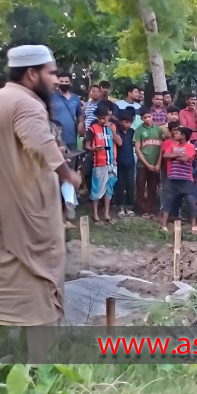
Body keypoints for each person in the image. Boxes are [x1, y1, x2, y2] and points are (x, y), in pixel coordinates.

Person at [0, 46, 82, 364]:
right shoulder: (25, 103)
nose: (55, 80)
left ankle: (12, 354)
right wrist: (68, 174)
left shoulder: (4, 97)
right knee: (40, 280)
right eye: (50, 73)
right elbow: (41, 143)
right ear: (31, 74)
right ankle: (41, 368)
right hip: (28, 217)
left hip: (9, 213)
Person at [85, 105, 123, 225]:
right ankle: (95, 214)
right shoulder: (92, 129)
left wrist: (111, 129)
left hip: (112, 162)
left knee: (109, 189)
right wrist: (93, 149)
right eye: (99, 118)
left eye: (104, 118)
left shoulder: (113, 126)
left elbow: (120, 142)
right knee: (97, 189)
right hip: (99, 163)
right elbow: (86, 145)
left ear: (108, 116)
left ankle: (106, 213)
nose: (102, 121)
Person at [160, 126, 197, 233]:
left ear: (183, 136)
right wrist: (177, 154)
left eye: (177, 133)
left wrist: (172, 157)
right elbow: (165, 155)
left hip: (186, 179)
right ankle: (164, 225)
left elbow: (185, 159)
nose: (174, 135)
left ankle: (194, 225)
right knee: (168, 201)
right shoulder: (173, 145)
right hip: (173, 178)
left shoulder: (190, 146)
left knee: (190, 201)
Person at [132, 107, 163, 218]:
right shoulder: (139, 131)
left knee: (152, 188)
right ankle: (143, 210)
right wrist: (147, 164)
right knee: (140, 187)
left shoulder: (158, 130)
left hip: (155, 164)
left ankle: (151, 210)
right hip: (142, 165)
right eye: (145, 117)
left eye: (149, 117)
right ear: (141, 119)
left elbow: (161, 149)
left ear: (152, 116)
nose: (148, 119)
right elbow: (137, 150)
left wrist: (158, 164)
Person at [52, 71, 84, 151]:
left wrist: (81, 123)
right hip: (55, 138)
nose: (64, 83)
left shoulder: (76, 98)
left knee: (72, 160)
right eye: (61, 81)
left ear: (70, 83)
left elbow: (79, 114)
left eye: (66, 81)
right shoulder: (51, 96)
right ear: (57, 82)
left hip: (72, 137)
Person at [114, 111, 136, 218]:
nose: (128, 124)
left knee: (130, 185)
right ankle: (121, 207)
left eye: (130, 122)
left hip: (130, 161)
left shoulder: (132, 131)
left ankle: (129, 206)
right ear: (120, 122)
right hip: (119, 161)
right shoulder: (116, 131)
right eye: (126, 122)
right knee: (120, 184)